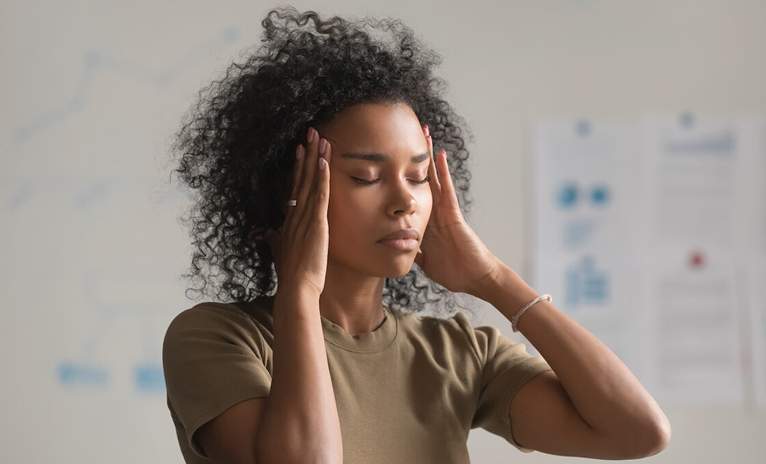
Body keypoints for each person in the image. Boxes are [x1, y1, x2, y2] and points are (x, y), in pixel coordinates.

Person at [162, 6, 671, 464]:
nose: (405, 201)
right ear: (284, 190)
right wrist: (299, 292)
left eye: (418, 174)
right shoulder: (217, 340)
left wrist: (493, 279)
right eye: (366, 176)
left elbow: (637, 433)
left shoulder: (455, 352)